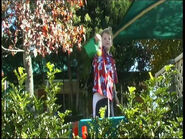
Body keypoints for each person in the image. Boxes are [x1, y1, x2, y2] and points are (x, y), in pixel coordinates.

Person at [92, 27, 119, 118]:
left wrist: (116, 98)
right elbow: (88, 48)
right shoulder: (98, 52)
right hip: (99, 95)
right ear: (101, 41)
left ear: (111, 43)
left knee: (111, 125)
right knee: (99, 126)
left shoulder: (112, 61)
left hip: (109, 97)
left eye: (109, 38)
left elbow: (113, 81)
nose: (107, 40)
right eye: (104, 38)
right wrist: (97, 38)